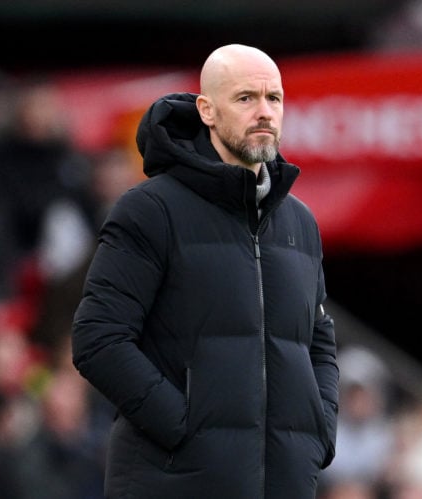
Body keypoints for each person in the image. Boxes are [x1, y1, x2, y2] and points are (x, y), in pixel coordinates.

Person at [71, 44, 339, 499]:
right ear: (207, 111)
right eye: (245, 98)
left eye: (274, 98)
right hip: (171, 483)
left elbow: (318, 342)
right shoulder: (150, 209)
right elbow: (98, 339)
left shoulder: (299, 222)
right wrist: (186, 428)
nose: (264, 112)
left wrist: (318, 432)